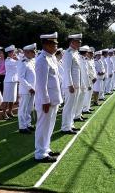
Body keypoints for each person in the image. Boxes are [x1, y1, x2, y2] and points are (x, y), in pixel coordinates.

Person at [34, 32, 63, 163]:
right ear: (46, 44)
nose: (56, 46)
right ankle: (40, 153)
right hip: (46, 100)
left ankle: (46, 149)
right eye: (53, 44)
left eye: (56, 44)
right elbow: (41, 83)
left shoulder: (51, 58)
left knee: (50, 126)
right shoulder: (42, 60)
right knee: (43, 126)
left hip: (53, 99)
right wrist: (45, 100)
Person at [61, 33, 83, 134]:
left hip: (76, 84)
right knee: (69, 106)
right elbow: (67, 70)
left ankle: (70, 125)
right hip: (71, 85)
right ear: (72, 42)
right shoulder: (68, 53)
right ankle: (65, 127)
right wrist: (70, 84)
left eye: (80, 41)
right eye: (78, 41)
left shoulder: (75, 53)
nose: (80, 43)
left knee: (73, 106)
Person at [17, 43, 37, 133]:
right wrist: (29, 87)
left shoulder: (31, 61)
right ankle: (22, 127)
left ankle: (27, 124)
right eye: (33, 51)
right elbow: (20, 78)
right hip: (26, 90)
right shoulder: (23, 62)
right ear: (27, 52)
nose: (34, 53)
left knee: (29, 109)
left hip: (32, 90)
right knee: (23, 109)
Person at [2, 45, 19, 120]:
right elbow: (19, 64)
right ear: (9, 53)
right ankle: (3, 113)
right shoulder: (8, 60)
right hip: (9, 81)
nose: (14, 54)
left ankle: (10, 111)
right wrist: (18, 59)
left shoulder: (13, 60)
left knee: (12, 98)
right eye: (13, 52)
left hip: (14, 81)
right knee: (6, 98)